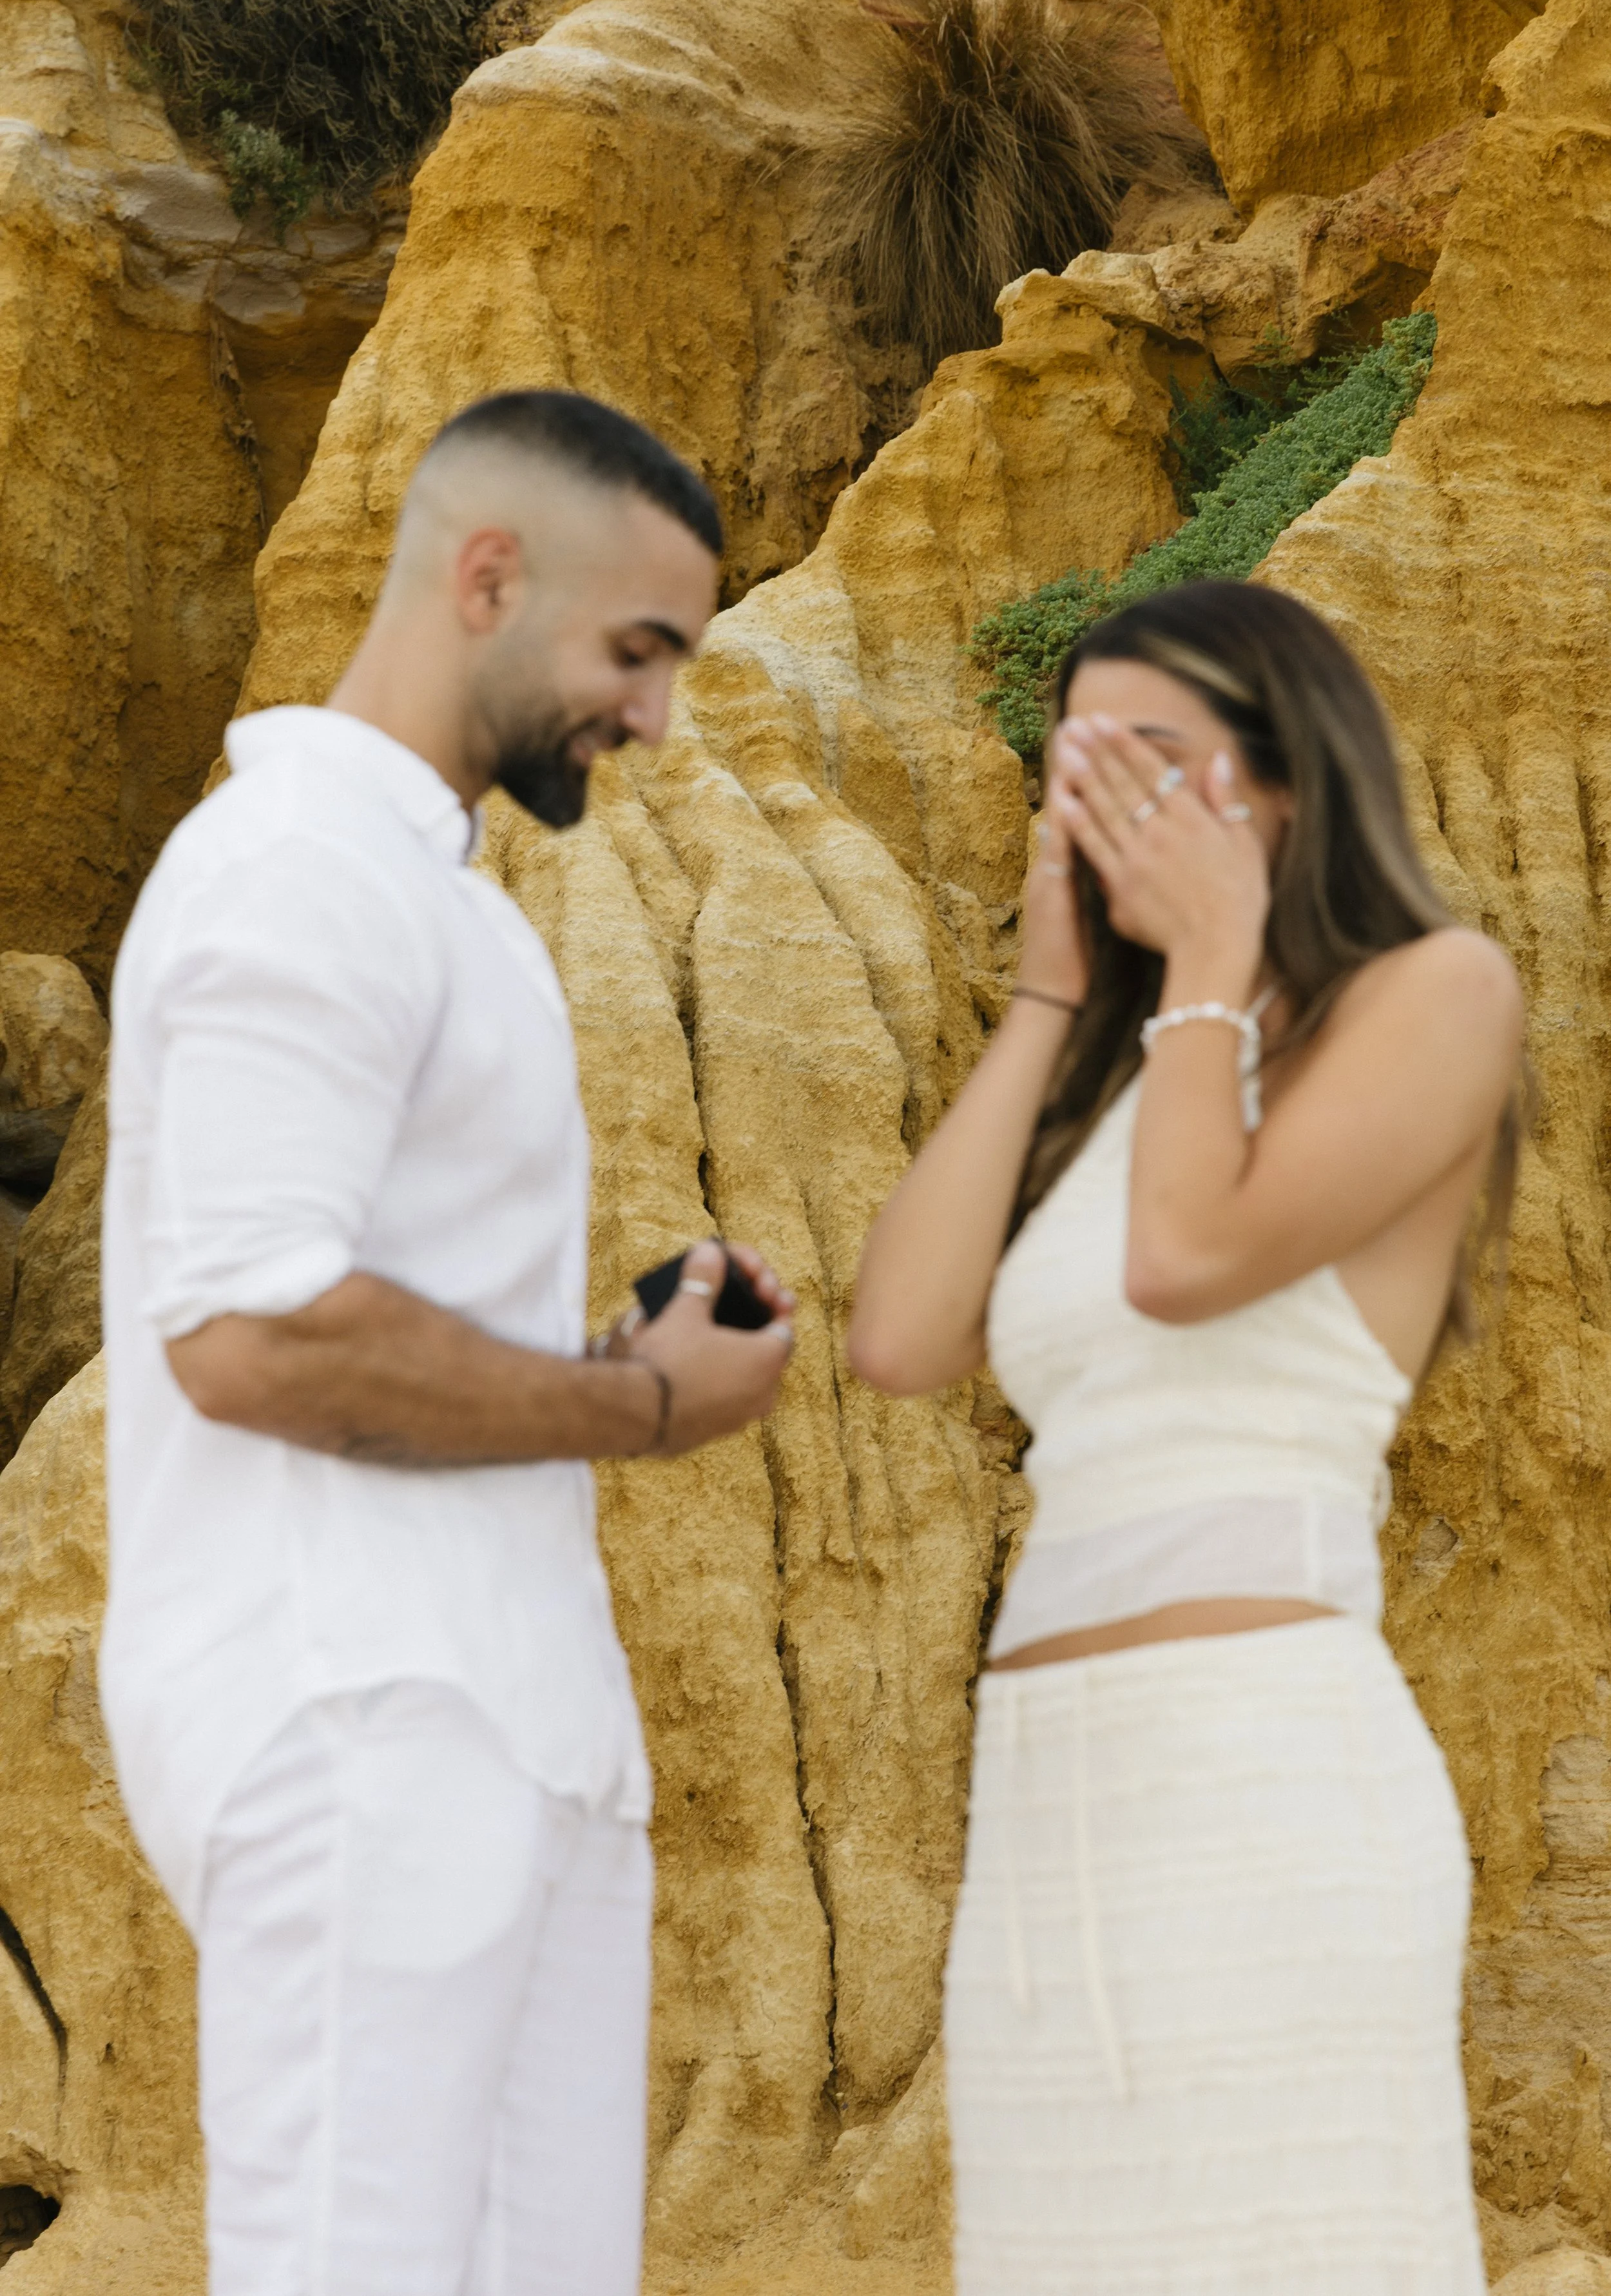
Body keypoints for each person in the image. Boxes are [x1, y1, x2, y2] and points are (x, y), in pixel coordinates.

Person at [100, 389, 796, 2296]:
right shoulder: (295, 871)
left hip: (500, 1717)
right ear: (485, 575)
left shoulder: (440, 896)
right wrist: (639, 1400)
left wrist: (602, 1348)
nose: (654, 714)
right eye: (636, 650)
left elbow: (360, 1297)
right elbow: (247, 1334)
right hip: (355, 1714)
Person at [849, 578, 1524, 2292]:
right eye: (1074, 770)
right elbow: (899, 1339)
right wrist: (1045, 1002)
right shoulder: (1137, 1074)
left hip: (1261, 1782)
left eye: (1151, 760)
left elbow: (1185, 1263)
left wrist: (1212, 953)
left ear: (1283, 777)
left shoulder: (1430, 991)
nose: (1101, 805)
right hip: (1051, 1812)